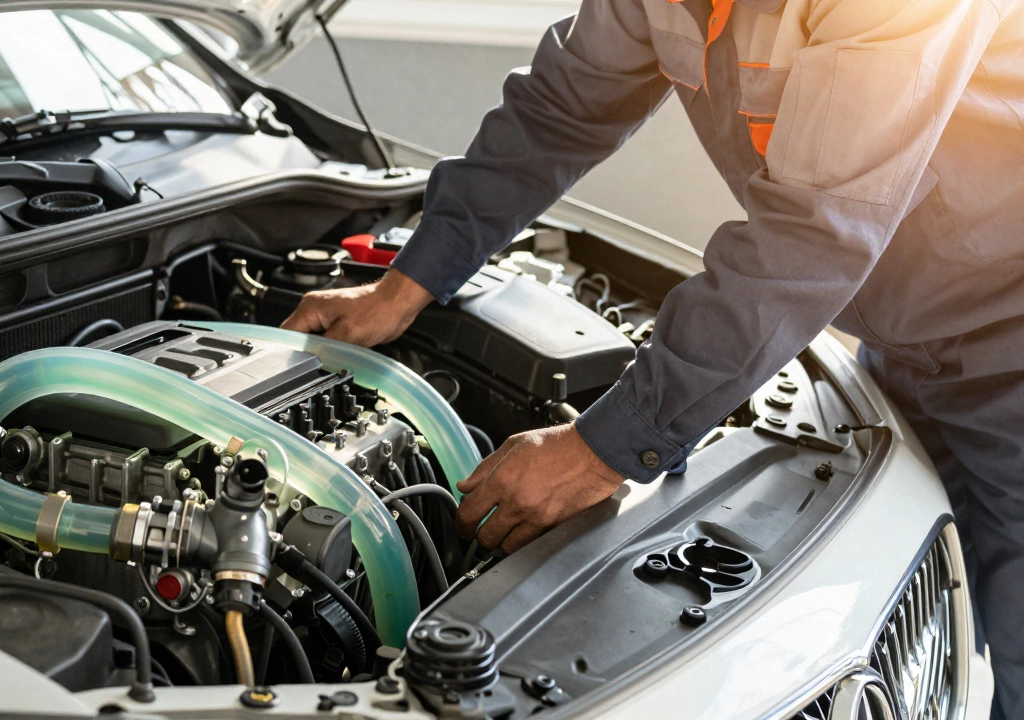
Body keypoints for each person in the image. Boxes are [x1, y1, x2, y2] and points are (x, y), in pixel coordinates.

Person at [283, 0, 1024, 716]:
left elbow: (811, 235)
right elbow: (558, 110)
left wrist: (599, 451)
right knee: (946, 622)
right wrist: (404, 284)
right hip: (906, 339)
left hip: (1010, 337)